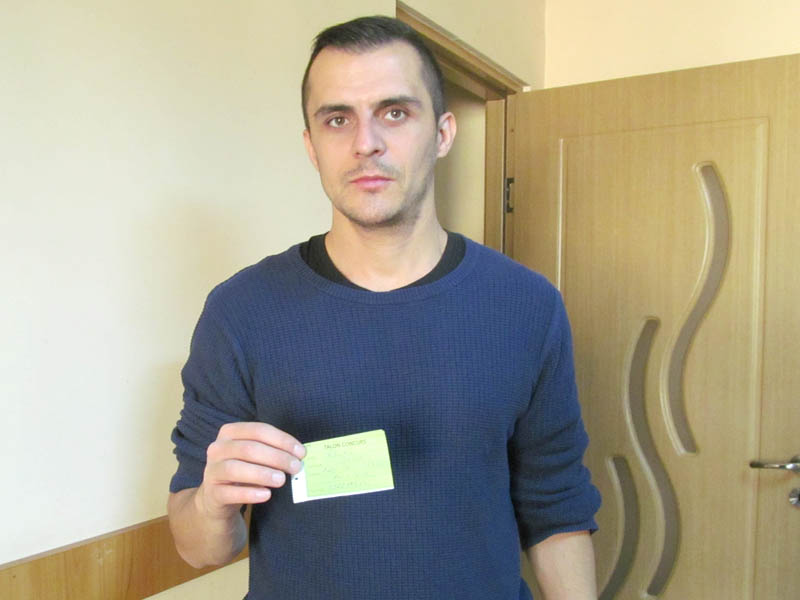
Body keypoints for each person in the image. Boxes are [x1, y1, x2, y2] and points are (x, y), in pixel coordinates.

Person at [167, 15, 601, 600]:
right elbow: (199, 548)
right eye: (337, 119)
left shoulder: (527, 307)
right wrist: (212, 503)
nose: (365, 142)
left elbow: (558, 510)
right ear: (311, 146)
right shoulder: (241, 312)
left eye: (394, 113)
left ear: (443, 133)